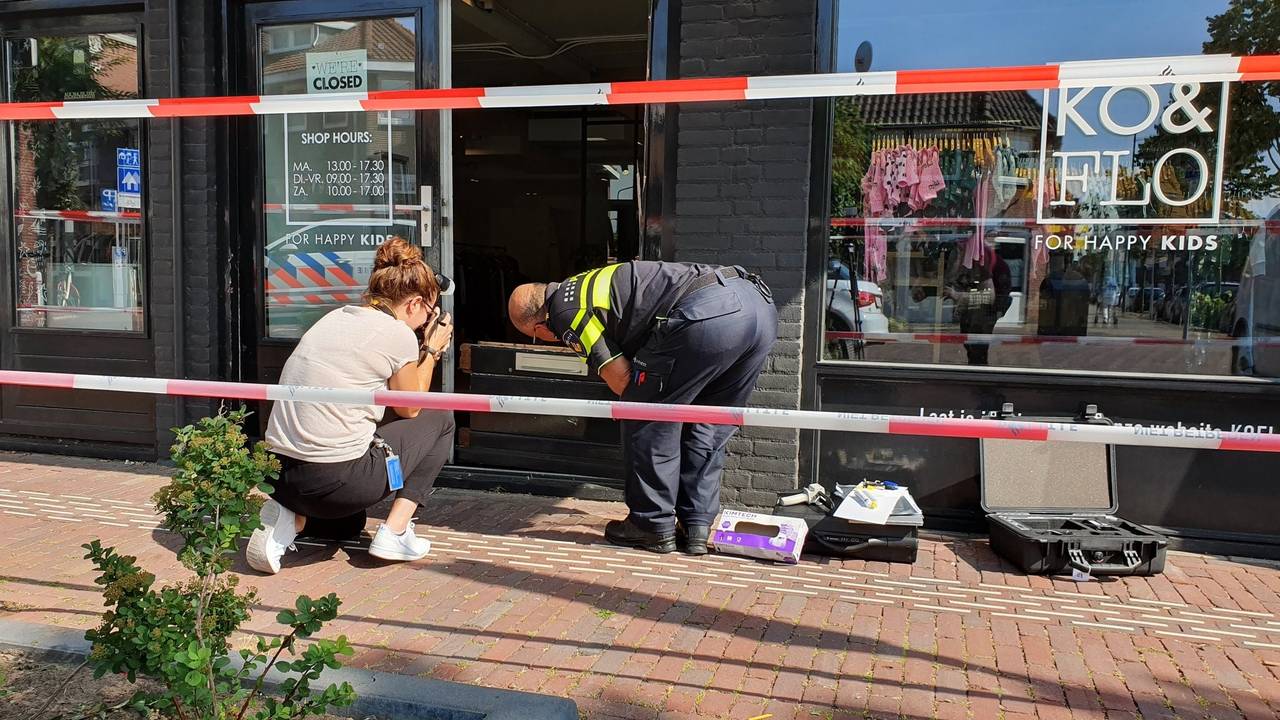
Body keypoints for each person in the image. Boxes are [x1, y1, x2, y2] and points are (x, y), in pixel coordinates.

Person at [507, 262, 778, 555]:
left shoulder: (563, 312)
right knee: (710, 422)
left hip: (705, 315)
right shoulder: (582, 283)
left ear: (538, 327)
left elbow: (621, 379)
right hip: (758, 305)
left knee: (645, 414)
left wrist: (648, 391)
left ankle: (651, 525)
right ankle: (696, 525)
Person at [248, 237, 456, 574]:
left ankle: (291, 516)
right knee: (441, 417)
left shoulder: (335, 317)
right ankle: (395, 531)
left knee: (346, 527)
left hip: (281, 474)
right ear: (416, 303)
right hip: (333, 483)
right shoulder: (397, 333)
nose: (425, 321)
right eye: (428, 312)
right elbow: (411, 408)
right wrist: (431, 349)